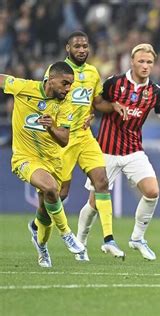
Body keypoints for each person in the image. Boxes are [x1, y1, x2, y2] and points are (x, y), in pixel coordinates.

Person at [78, 43, 160, 261]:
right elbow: (96, 103)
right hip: (106, 151)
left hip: (133, 151)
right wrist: (90, 114)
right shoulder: (114, 83)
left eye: (149, 62)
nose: (145, 66)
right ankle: (80, 242)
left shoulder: (154, 91)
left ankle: (137, 238)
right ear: (132, 62)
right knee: (93, 204)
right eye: (141, 61)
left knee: (152, 191)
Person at [30, 31, 127, 261]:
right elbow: (47, 100)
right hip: (62, 140)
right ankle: (37, 225)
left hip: (84, 136)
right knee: (58, 195)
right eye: (77, 46)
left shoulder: (93, 73)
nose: (82, 49)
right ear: (68, 48)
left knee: (102, 181)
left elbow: (96, 101)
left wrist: (111, 106)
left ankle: (109, 239)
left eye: (85, 46)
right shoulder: (57, 72)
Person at [0, 61, 85, 268]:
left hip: (52, 161)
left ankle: (41, 247)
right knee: (50, 188)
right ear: (51, 79)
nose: (68, 89)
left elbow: (64, 139)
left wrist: (52, 127)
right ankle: (66, 233)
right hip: (24, 158)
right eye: (65, 83)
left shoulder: (66, 104)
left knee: (45, 212)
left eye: (70, 85)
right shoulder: (24, 87)